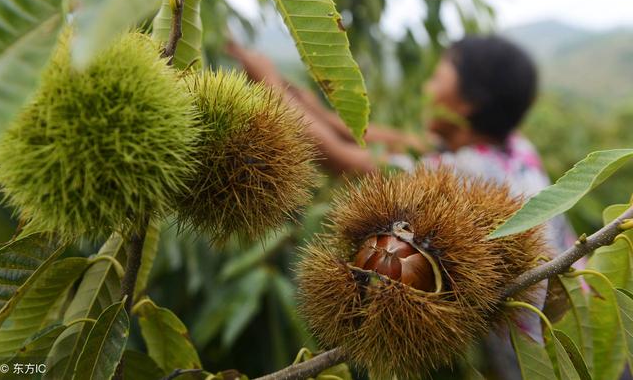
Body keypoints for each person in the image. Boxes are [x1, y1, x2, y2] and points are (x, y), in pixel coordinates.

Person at [227, 35, 576, 377]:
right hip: (581, 304)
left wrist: (269, 85)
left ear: (468, 104)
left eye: (437, 78)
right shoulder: (515, 145)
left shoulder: (466, 175)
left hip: (554, 355)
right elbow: (357, 133)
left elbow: (338, 155)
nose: (427, 88)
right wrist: (284, 86)